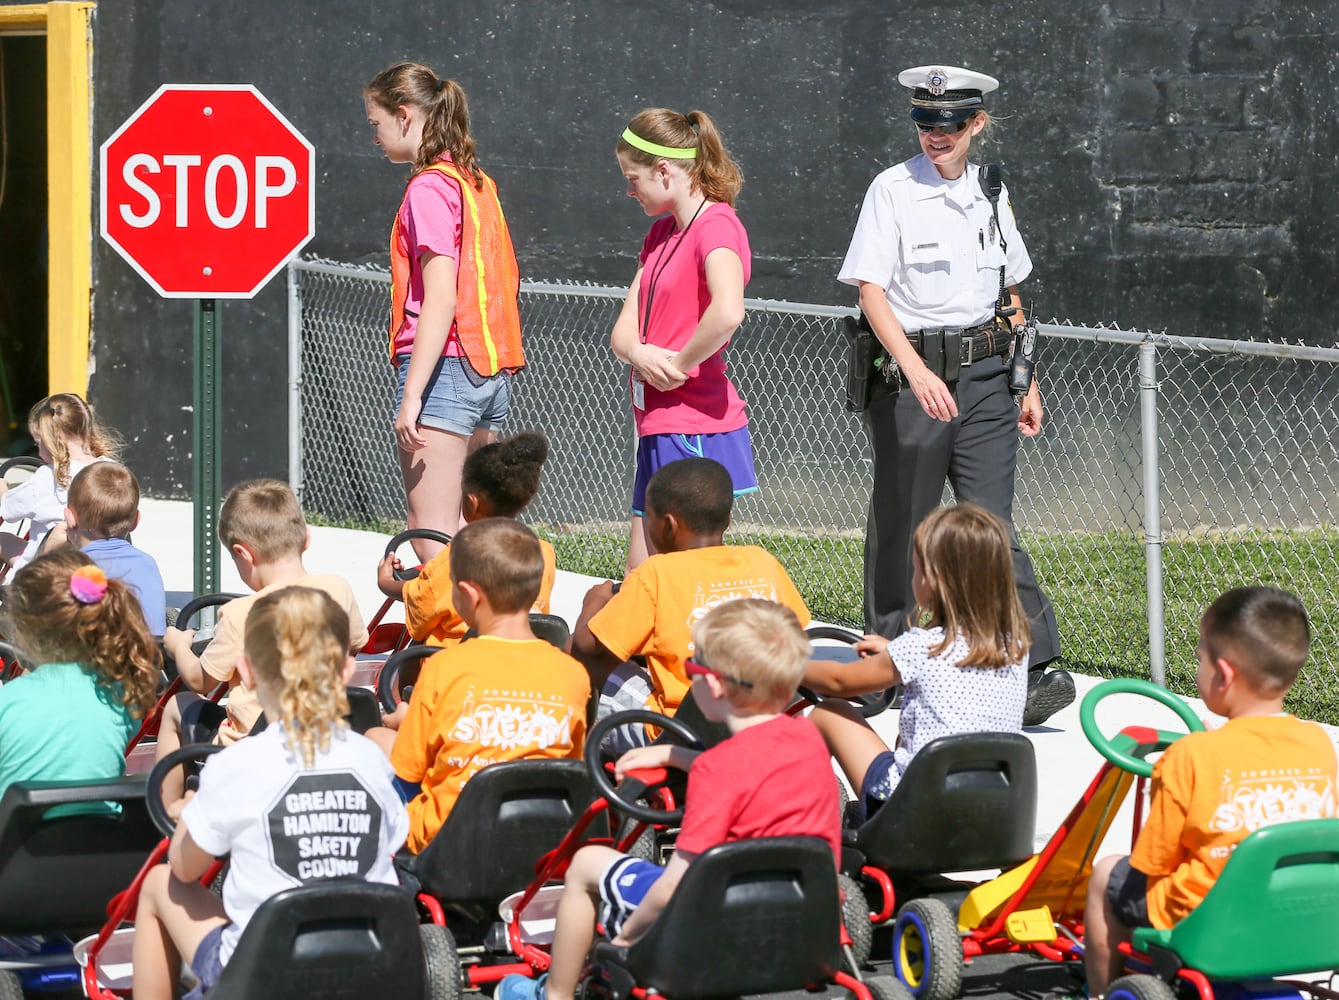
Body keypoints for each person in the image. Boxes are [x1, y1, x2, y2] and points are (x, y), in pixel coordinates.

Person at [836, 64, 1072, 726]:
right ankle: (882, 656)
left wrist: (1027, 380)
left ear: (975, 124)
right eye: (922, 122)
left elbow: (1010, 292)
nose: (932, 136)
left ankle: (1032, 663)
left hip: (988, 376)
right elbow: (869, 292)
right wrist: (913, 369)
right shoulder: (891, 190)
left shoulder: (991, 191)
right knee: (903, 520)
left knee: (988, 524)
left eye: (945, 125)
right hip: (914, 378)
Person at [496, 598, 840, 1000]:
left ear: (710, 684)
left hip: (713, 919)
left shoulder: (717, 773)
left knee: (587, 864)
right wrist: (676, 754)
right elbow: (753, 767)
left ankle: (555, 993)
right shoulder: (809, 742)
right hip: (802, 911)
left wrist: (625, 942)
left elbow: (672, 885)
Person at [131, 586, 409, 1000]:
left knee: (158, 882)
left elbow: (186, 870)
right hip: (367, 955)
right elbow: (391, 843)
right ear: (348, 671)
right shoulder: (373, 760)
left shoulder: (235, 765)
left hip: (264, 969)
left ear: (246, 670)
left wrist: (191, 816)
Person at [1082, 586, 1337, 998]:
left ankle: (1099, 991)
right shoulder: (1318, 744)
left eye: (1199, 658)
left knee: (1107, 872)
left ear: (1223, 674)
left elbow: (1153, 862)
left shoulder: (1190, 755)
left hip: (1209, 914)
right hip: (1294, 912)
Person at [364, 61, 524, 563]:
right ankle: (493, 634)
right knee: (471, 528)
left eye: (377, 124)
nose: (375, 136)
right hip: (489, 370)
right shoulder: (477, 183)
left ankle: (458, 641)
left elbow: (441, 297)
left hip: (445, 374)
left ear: (405, 116)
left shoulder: (428, 188)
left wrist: (411, 396)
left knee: (431, 536)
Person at [370, 518, 589, 854]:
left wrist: (404, 723)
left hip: (448, 845)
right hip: (538, 842)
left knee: (375, 740)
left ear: (469, 596)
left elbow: (408, 771)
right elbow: (567, 767)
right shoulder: (573, 673)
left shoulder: (445, 666)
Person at [802, 503, 1028, 820]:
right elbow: (954, 666)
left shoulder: (919, 649)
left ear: (933, 581)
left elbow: (838, 681)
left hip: (912, 816)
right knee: (910, 731)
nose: (914, 578)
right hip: (991, 813)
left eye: (916, 569)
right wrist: (895, 650)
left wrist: (786, 664)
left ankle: (803, 815)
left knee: (831, 711)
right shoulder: (1014, 645)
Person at [571, 458, 809, 754]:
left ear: (668, 525)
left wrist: (594, 600)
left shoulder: (656, 573)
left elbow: (586, 644)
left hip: (677, 731)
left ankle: (578, 747)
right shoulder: (763, 561)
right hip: (767, 720)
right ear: (728, 520)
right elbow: (796, 627)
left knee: (572, 647)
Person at [156, 479, 368, 809]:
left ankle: (168, 818)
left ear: (243, 553)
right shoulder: (337, 588)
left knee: (177, 706)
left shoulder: (242, 613)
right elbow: (355, 643)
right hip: (321, 730)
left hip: (247, 744)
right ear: (306, 538)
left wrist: (178, 646)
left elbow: (200, 680)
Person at [611, 108, 756, 572]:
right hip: (658, 417)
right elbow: (623, 331)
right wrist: (639, 353)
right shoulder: (660, 232)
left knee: (683, 572)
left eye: (634, 179)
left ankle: (699, 647)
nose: (629, 191)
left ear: (664, 170)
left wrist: (678, 365)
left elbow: (728, 310)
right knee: (643, 572)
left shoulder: (716, 225)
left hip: (692, 422)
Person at [0, 549, 159, 797]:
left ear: (22, 630)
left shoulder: (8, 699)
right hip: (103, 830)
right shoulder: (120, 696)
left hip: (16, 832)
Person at [376, 430, 556, 647]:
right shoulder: (543, 552)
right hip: (523, 655)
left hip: (458, 662)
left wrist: (386, 582)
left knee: (413, 648)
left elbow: (422, 600)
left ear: (471, 503)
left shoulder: (459, 558)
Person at [0, 393, 117, 572]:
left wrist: (3, 491)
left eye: (39, 443)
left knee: (2, 539)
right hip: (97, 565)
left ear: (55, 440)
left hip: (47, 568)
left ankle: (11, 594)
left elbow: (8, 510)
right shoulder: (111, 469)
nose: (38, 452)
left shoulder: (47, 477)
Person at [63, 461, 167, 635]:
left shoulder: (71, 570)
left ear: (70, 518)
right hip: (150, 659)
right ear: (136, 521)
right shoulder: (148, 563)